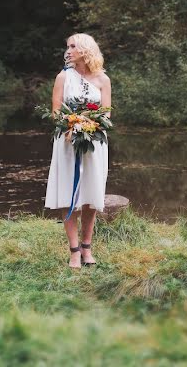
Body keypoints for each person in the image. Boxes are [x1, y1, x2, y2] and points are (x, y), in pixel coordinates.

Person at [45, 33, 112, 269]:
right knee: (68, 194)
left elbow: (106, 113)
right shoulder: (63, 77)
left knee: (91, 196)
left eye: (73, 46)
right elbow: (55, 112)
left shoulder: (103, 79)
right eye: (67, 46)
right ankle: (74, 251)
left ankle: (87, 247)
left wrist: (89, 126)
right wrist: (71, 124)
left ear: (85, 49)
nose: (68, 50)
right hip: (67, 142)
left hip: (94, 144)